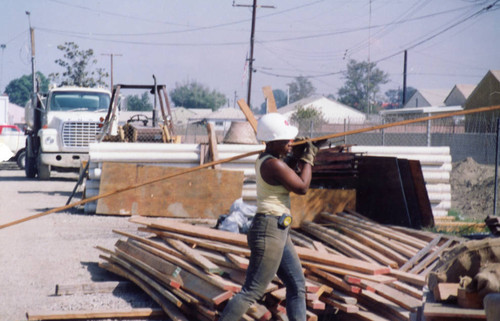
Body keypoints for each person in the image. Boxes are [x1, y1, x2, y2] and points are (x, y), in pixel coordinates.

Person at [218, 113, 319, 321]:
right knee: (252, 291)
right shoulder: (273, 164)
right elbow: (302, 187)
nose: (290, 143)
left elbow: (289, 167)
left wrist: (297, 154)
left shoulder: (269, 160)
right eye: (287, 141)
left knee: (296, 285)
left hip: (278, 229)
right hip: (269, 230)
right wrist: (309, 158)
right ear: (273, 141)